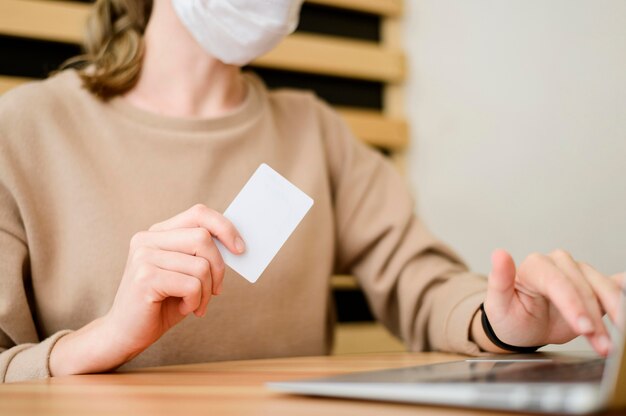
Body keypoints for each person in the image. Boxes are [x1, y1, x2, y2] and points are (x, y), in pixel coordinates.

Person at [0, 0, 622, 383]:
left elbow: (425, 285)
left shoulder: (317, 132)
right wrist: (102, 339)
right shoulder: (22, 130)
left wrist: (501, 320)